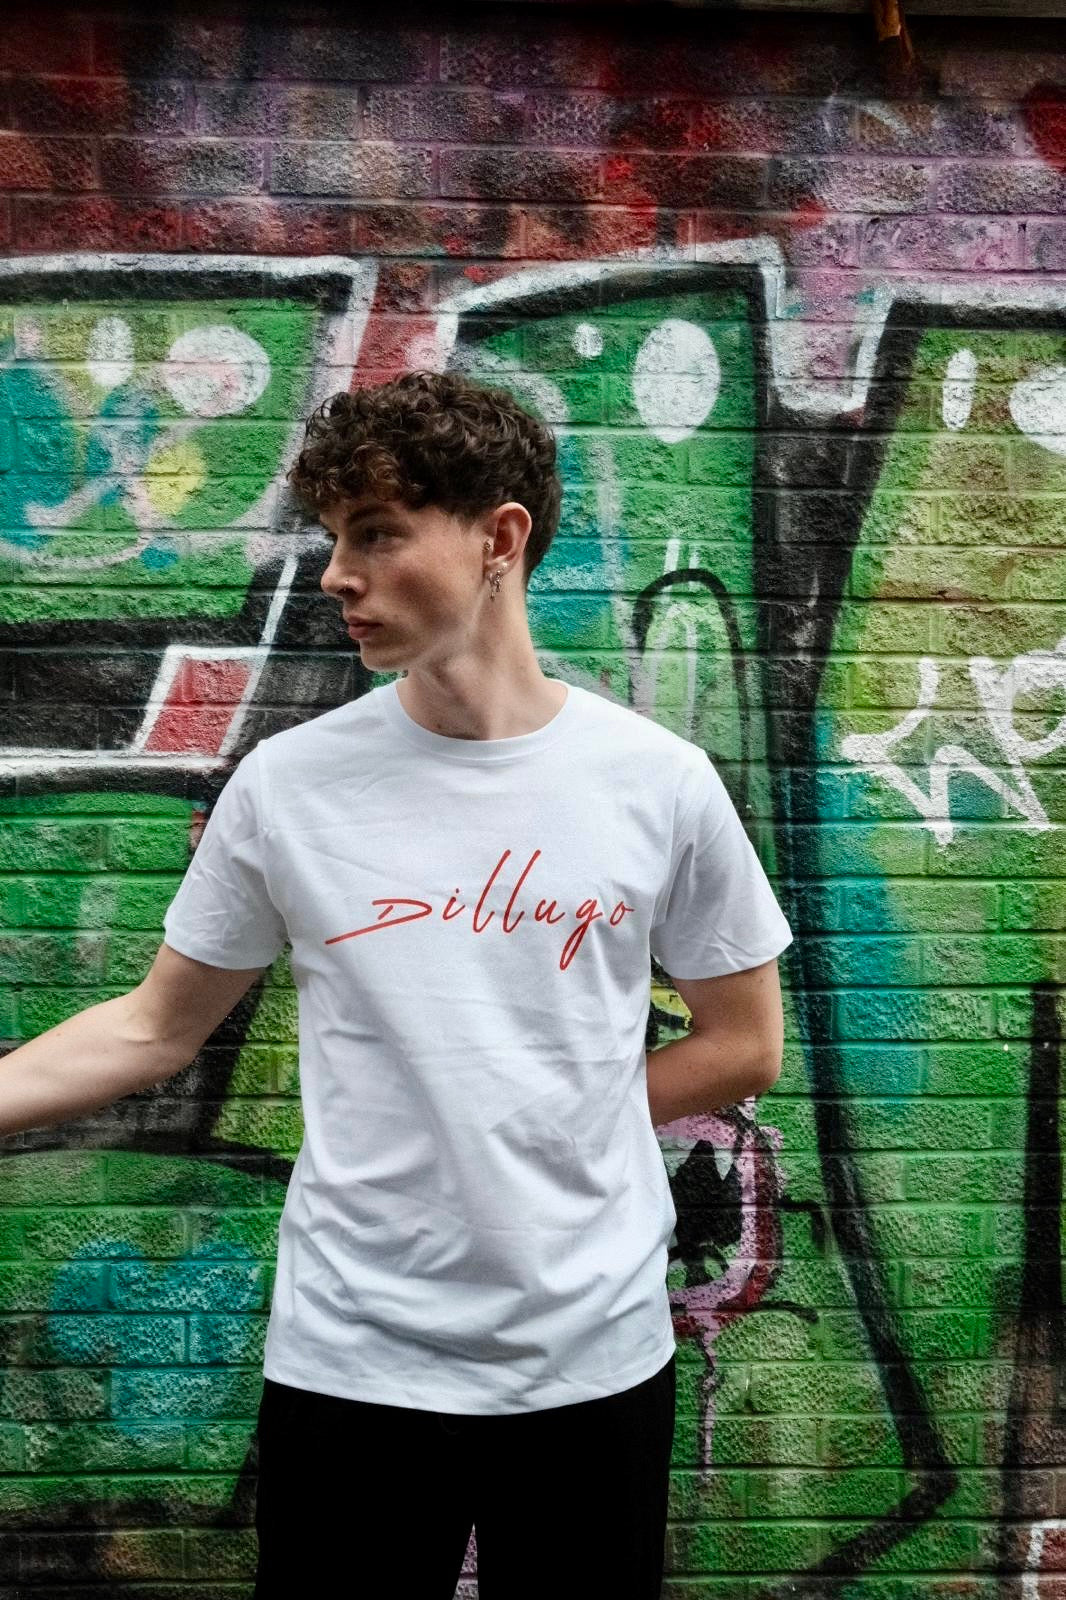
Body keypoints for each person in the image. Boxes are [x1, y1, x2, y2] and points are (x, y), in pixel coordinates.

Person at [0, 371, 792, 1599]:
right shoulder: (290, 786)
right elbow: (154, 1028)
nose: (335, 573)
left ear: (499, 539)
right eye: (332, 538)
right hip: (354, 1364)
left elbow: (743, 1042)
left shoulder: (656, 782)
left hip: (588, 1360)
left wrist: (554, 1113)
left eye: (376, 533)